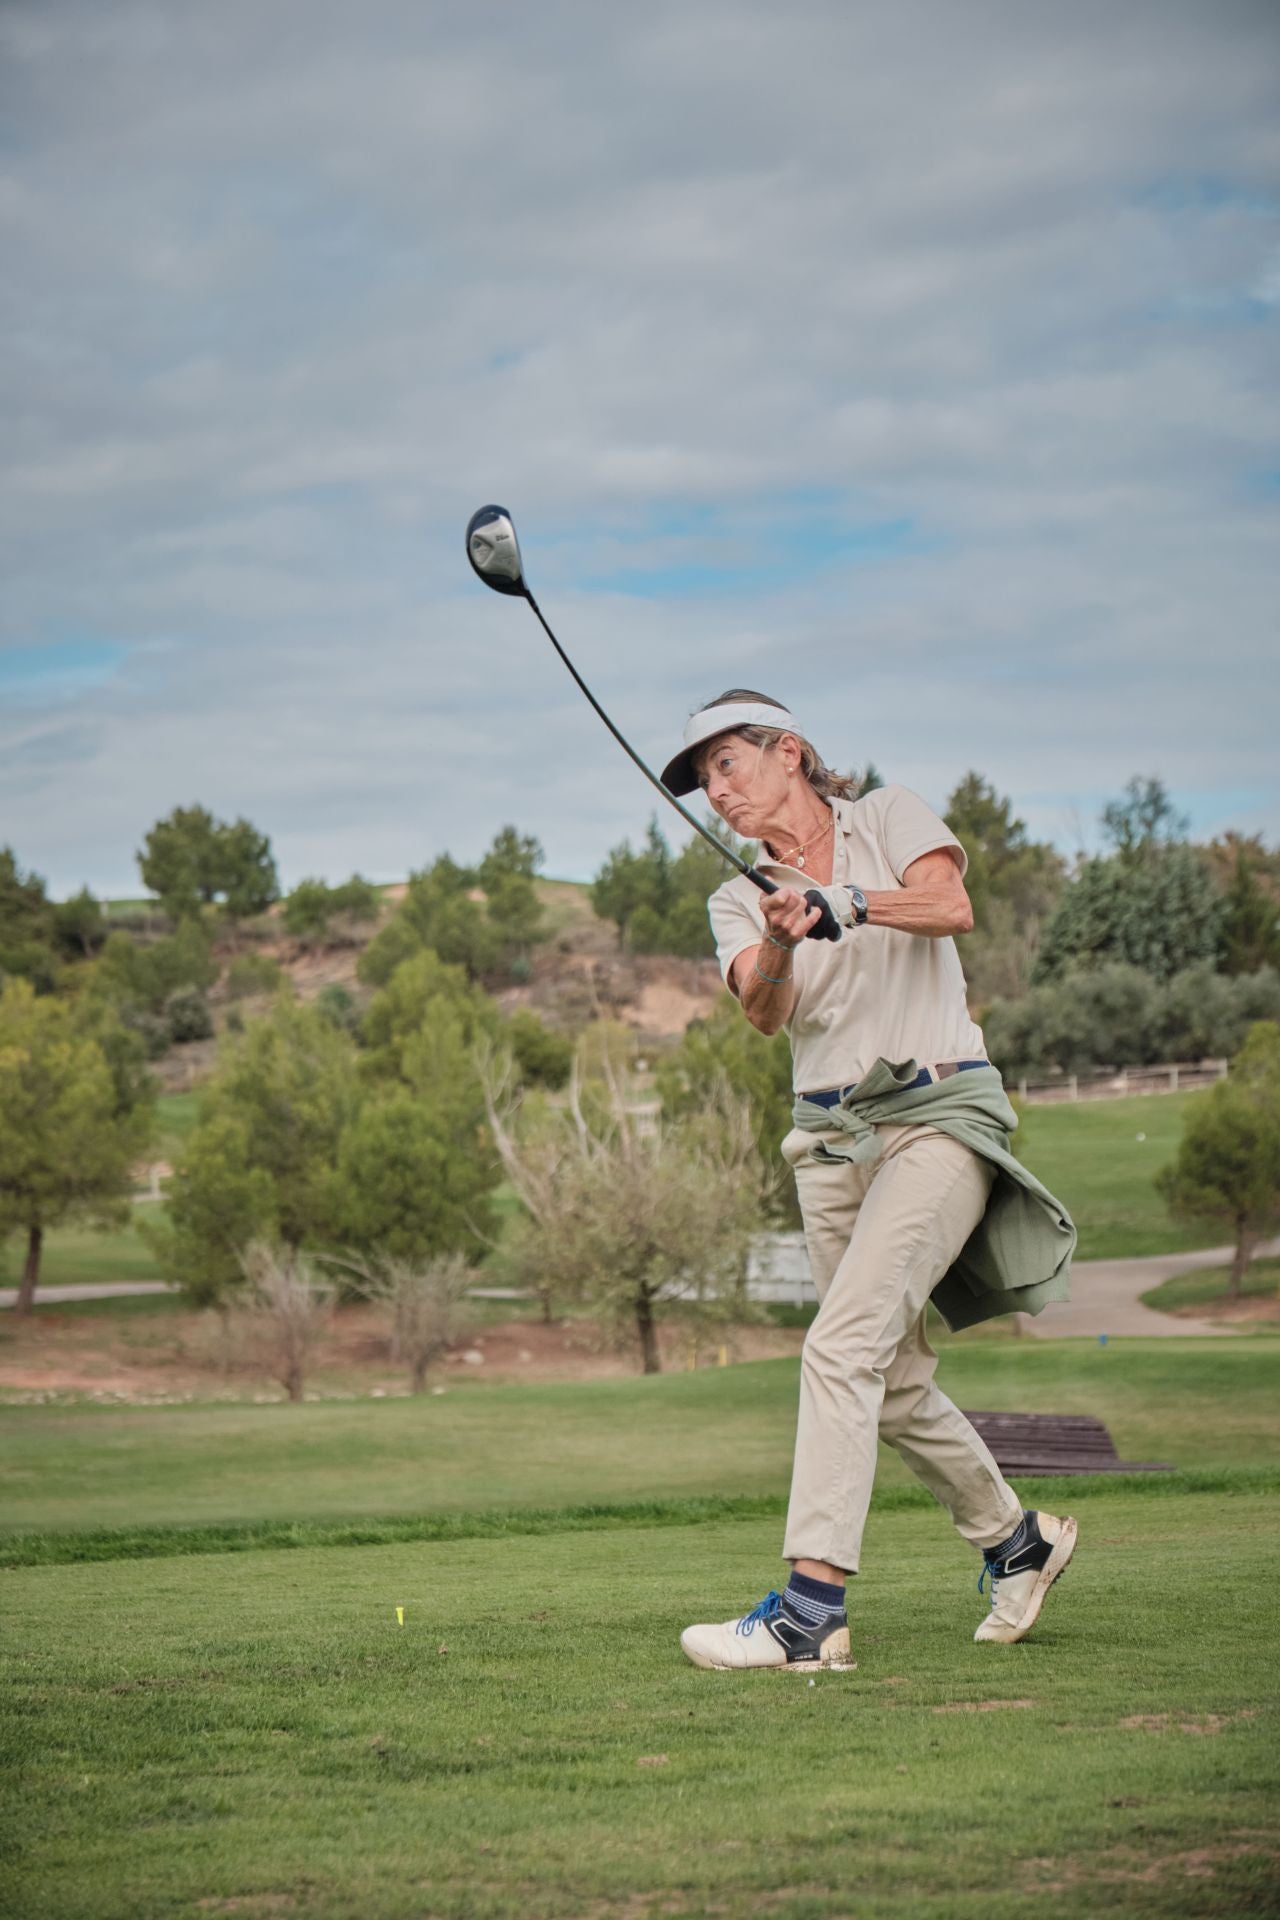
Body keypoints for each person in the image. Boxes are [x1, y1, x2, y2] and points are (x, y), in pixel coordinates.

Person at [664, 690, 1077, 1672]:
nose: (713, 793)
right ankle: (1015, 1543)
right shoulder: (735, 895)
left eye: (726, 765)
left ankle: (810, 1614)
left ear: (790, 752)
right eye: (699, 782)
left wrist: (844, 901)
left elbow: (949, 906)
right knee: (886, 1381)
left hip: (936, 1117)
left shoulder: (887, 816)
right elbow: (764, 1014)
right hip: (827, 1145)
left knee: (838, 1346)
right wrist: (775, 934)